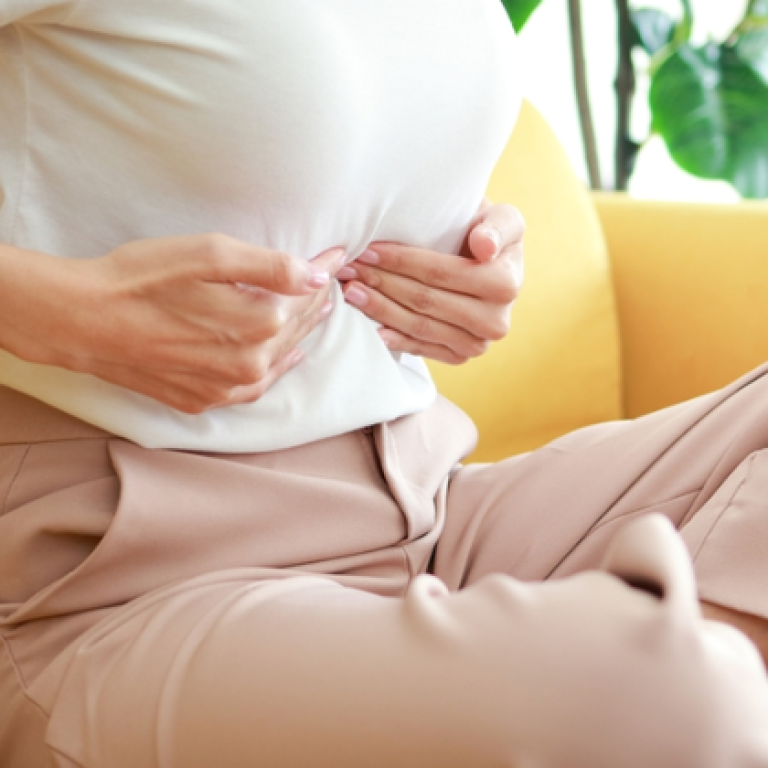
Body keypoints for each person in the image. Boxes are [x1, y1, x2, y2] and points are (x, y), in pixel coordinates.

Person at [1, 2, 768, 767]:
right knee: (674, 699)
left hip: (430, 507)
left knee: (676, 695)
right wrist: (63, 315)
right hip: (125, 579)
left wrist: (482, 256)